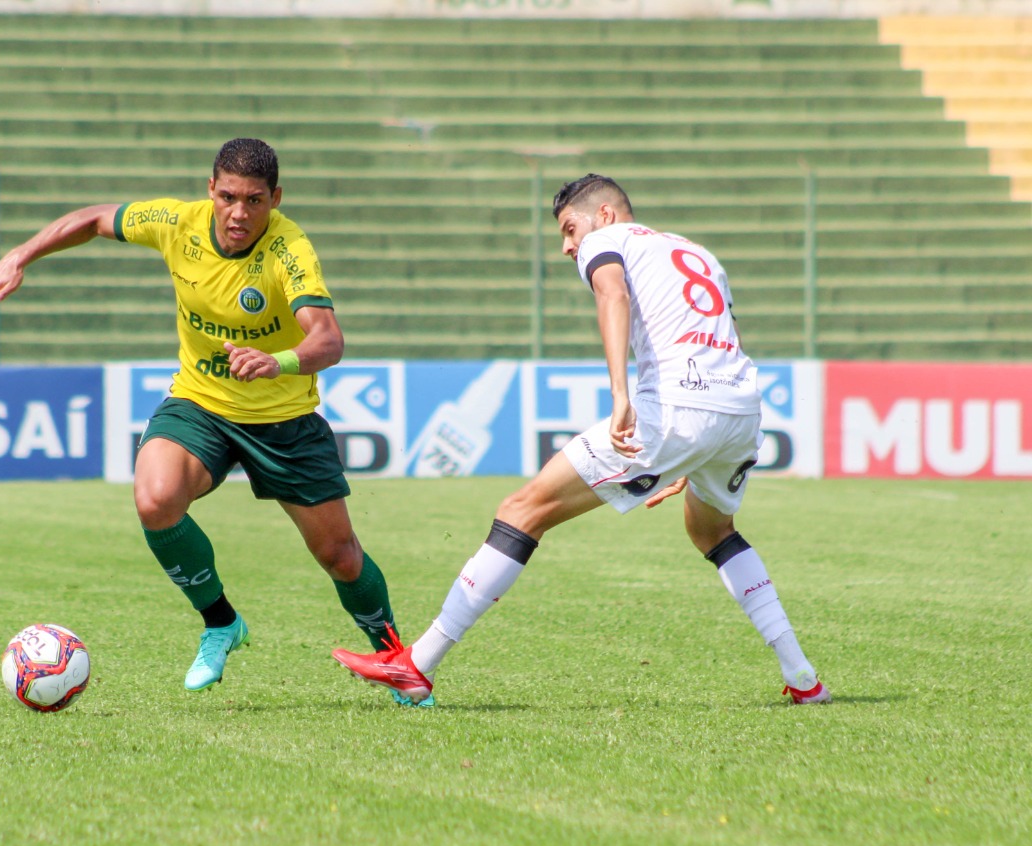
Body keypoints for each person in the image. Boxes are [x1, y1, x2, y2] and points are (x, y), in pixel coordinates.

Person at [333, 174, 830, 707]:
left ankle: (417, 665)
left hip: (674, 408)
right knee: (711, 530)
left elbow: (613, 294)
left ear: (606, 214)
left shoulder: (608, 239)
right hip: (740, 408)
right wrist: (697, 450)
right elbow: (725, 339)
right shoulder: (697, 253)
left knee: (522, 510)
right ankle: (803, 677)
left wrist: (621, 393)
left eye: (570, 229)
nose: (568, 246)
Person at [0, 138, 426, 705]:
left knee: (340, 556)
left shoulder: (289, 250)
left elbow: (328, 340)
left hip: (282, 418)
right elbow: (92, 219)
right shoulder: (177, 223)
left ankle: (397, 663)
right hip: (201, 404)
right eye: (228, 196)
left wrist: (277, 362)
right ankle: (221, 622)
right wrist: (18, 256)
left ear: (275, 199)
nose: (239, 213)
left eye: (254, 200)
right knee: (155, 499)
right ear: (210, 189)